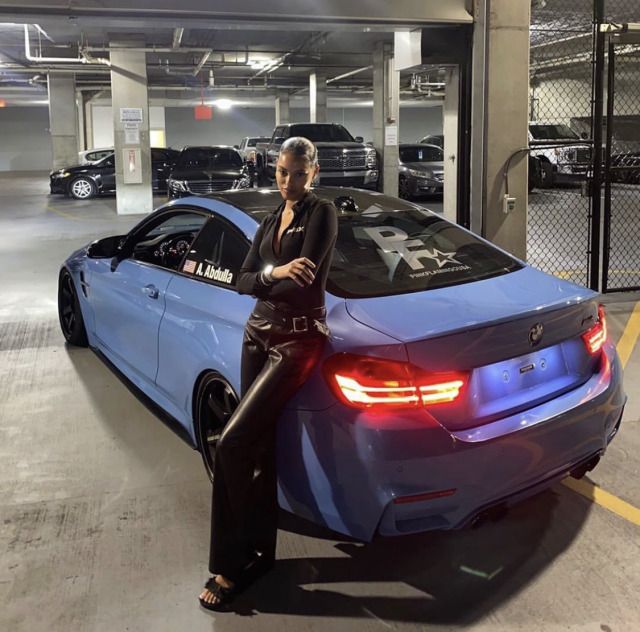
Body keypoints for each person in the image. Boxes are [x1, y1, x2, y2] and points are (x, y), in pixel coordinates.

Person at [199, 136, 338, 611]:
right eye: (281, 172)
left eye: (298, 173)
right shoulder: (267, 220)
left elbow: (304, 281)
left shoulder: (321, 214)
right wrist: (274, 274)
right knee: (256, 444)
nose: (288, 181)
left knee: (233, 441)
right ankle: (261, 552)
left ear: (313, 173)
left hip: (297, 342)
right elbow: (244, 280)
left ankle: (228, 565)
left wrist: (266, 277)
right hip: (256, 335)